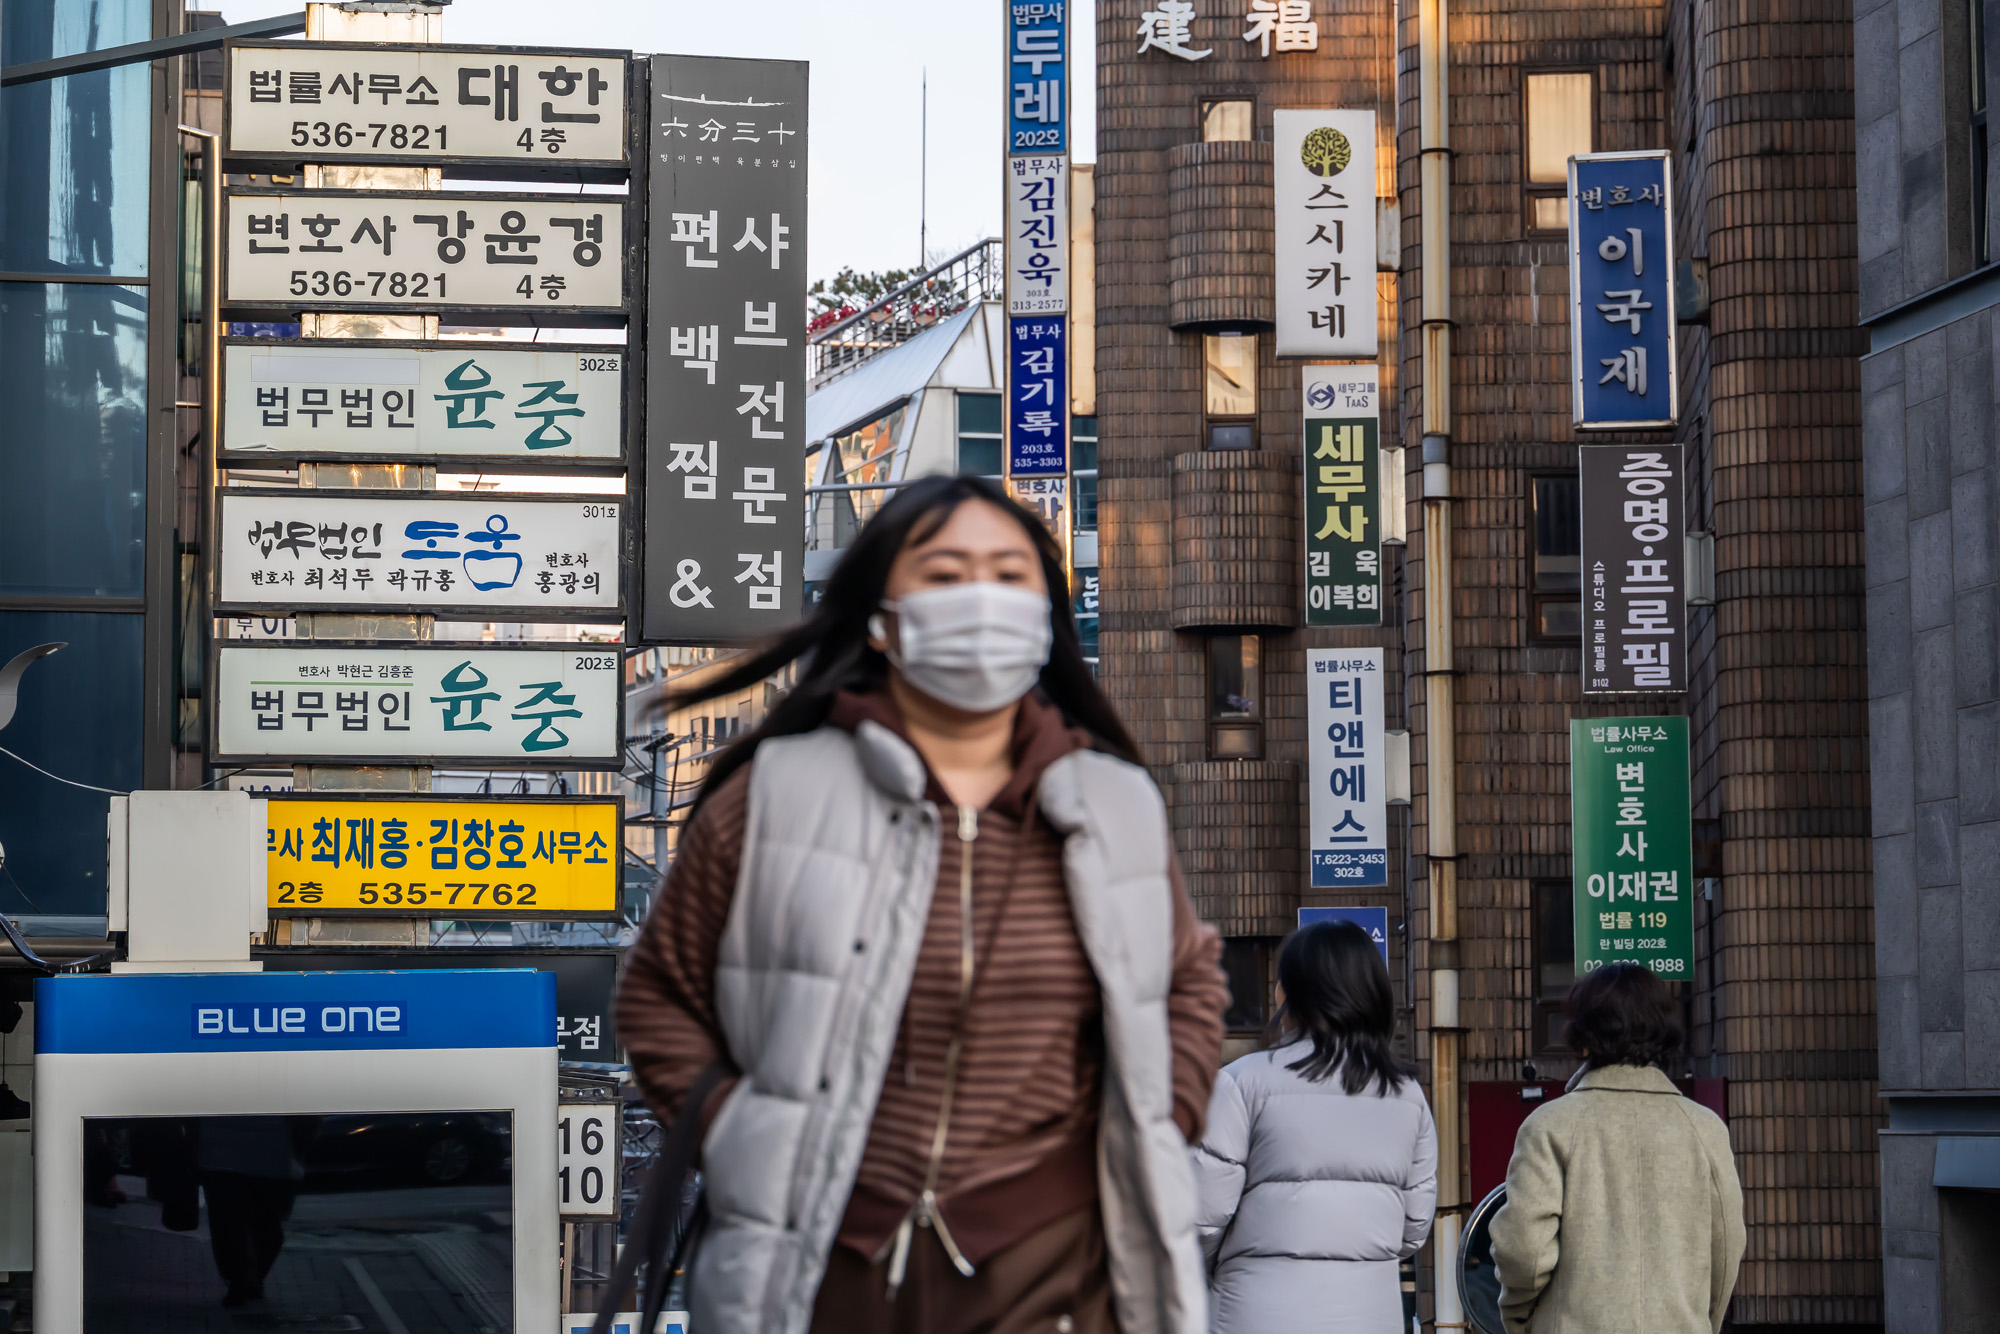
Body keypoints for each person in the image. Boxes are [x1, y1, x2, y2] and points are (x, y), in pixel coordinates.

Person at [617, 475, 1230, 1334]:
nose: (980, 598)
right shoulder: (775, 794)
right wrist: (746, 1133)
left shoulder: (1113, 800)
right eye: (945, 574)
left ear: (1046, 610)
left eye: (1009, 574)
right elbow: (660, 997)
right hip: (821, 1264)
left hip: (1059, 1265)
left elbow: (1186, 979)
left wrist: (1160, 1117)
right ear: (880, 615)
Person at [1191, 919, 1437, 1334]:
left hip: (1257, 1312)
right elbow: (1412, 1231)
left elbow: (1200, 1218)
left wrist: (1230, 1261)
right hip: (1369, 1315)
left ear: (1294, 993)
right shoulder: (1407, 1094)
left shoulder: (1241, 1082)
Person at [1489, 963, 1745, 1334]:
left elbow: (1524, 1250)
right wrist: (1702, 1322)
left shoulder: (1550, 1125)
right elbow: (1727, 1245)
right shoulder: (1704, 1128)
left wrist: (1519, 1317)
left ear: (1582, 1038)